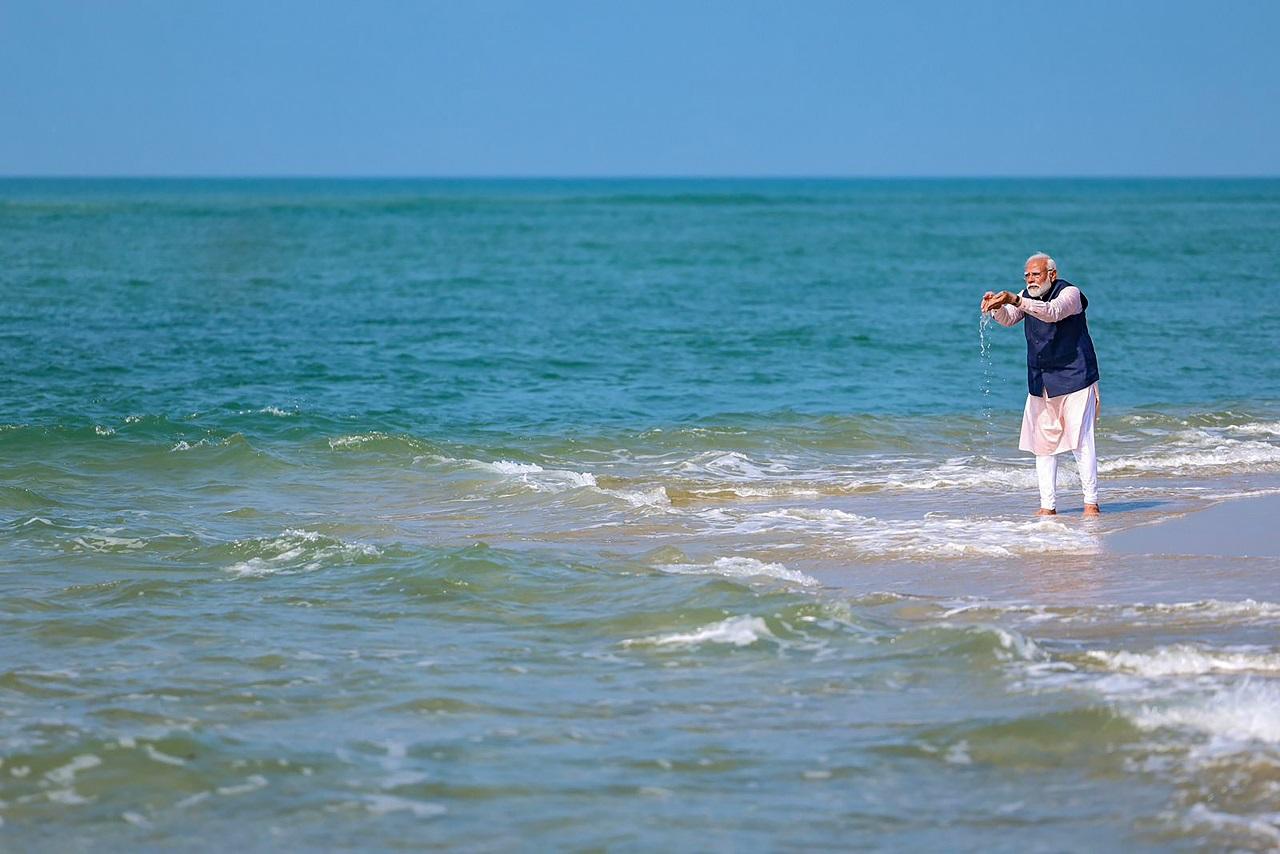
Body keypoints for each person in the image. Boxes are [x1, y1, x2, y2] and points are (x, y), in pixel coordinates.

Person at [980, 253, 1101, 517]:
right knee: (1043, 445)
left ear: (1052, 274)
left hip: (1076, 377)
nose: (1030, 279)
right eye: (1027, 275)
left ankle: (1091, 502)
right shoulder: (1026, 295)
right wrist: (996, 306)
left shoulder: (1070, 294)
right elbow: (1010, 318)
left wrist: (1015, 299)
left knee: (1081, 442)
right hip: (1041, 380)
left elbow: (1052, 313)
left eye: (1036, 274)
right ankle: (1048, 506)